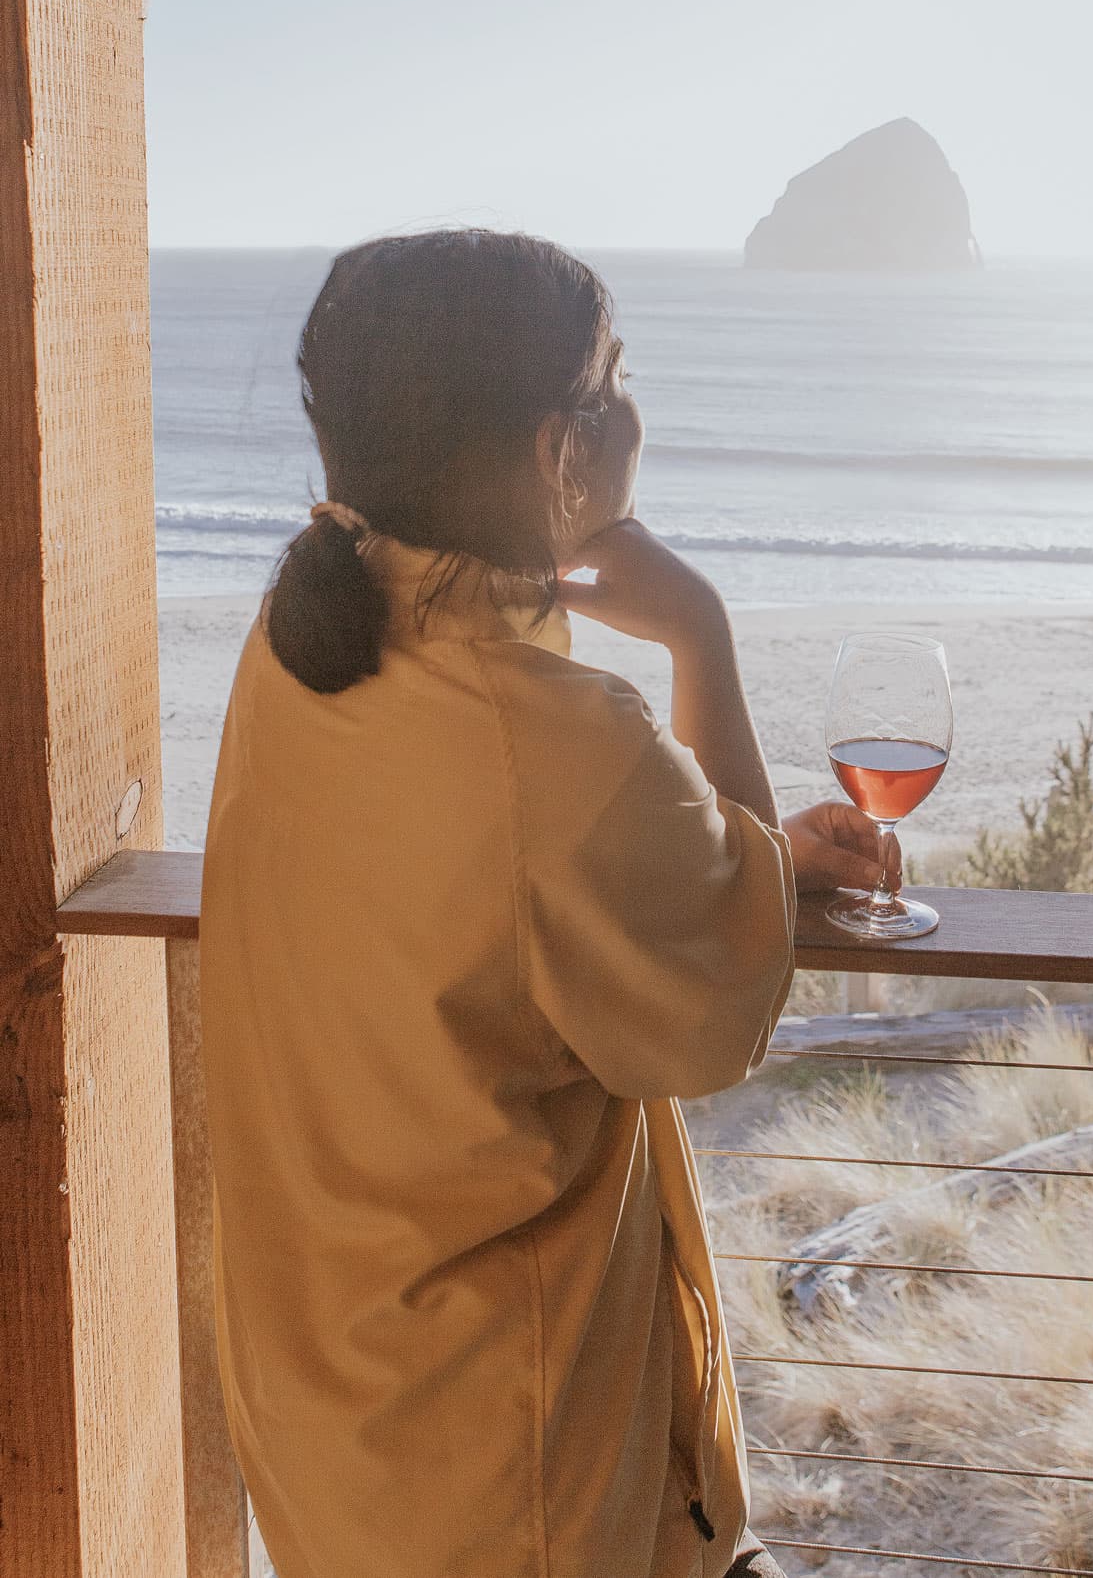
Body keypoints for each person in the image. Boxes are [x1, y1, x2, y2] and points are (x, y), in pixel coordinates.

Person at [199, 229, 889, 1578]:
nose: (636, 414)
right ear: (552, 453)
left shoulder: (300, 648)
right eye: (610, 383)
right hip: (509, 1468)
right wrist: (698, 627)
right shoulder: (557, 746)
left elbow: (493, 891)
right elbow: (715, 1011)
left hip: (339, 1412)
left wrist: (735, 849)